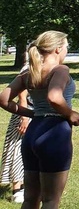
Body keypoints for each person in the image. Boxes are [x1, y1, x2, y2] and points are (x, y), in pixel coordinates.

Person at [0, 31, 79, 209]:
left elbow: (3, 99)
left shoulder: (30, 72)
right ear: (58, 49)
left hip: (33, 132)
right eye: (67, 47)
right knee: (51, 200)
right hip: (55, 132)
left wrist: (32, 114)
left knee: (30, 199)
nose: (67, 50)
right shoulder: (60, 70)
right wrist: (70, 113)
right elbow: (54, 97)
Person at [1, 64, 30, 204]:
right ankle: (17, 189)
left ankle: (26, 186)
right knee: (17, 149)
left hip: (35, 111)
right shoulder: (28, 67)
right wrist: (24, 117)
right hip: (25, 112)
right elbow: (22, 94)